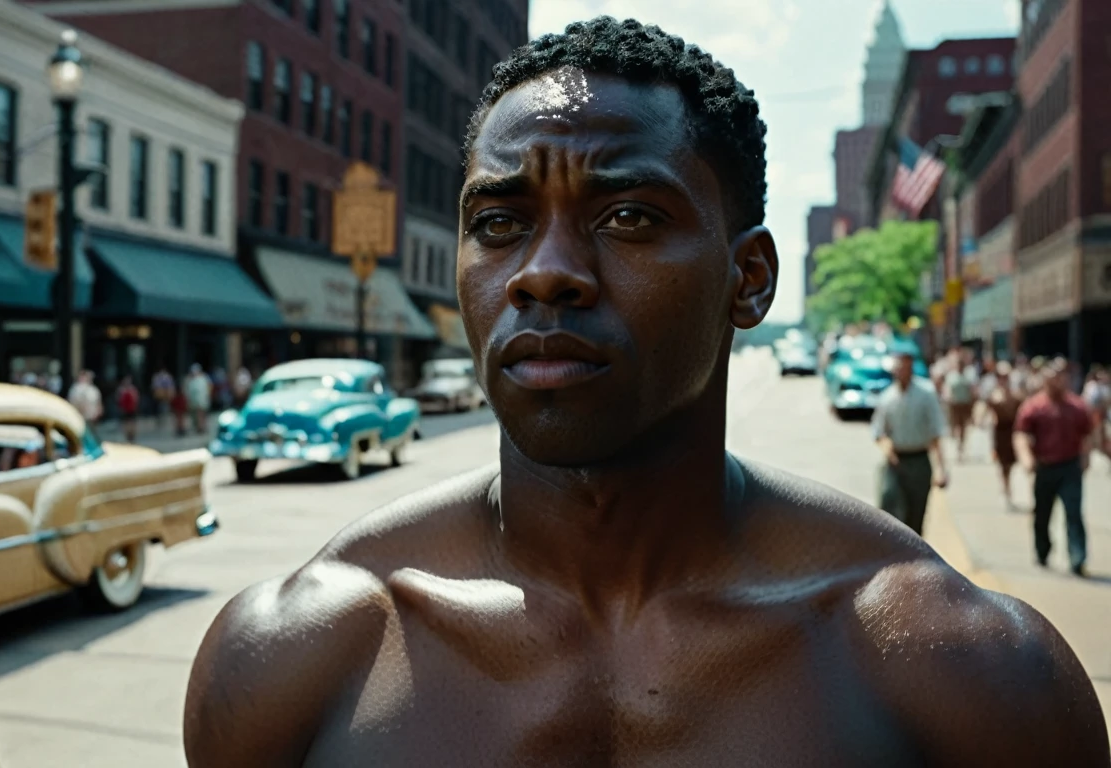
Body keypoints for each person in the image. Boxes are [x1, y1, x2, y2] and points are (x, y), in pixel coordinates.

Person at [183, 17, 1106, 766]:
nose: (544, 275)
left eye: (628, 217)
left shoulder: (964, 671)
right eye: (499, 223)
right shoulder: (298, 652)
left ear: (748, 279)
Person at [1015, 363, 1096, 577]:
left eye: (1061, 377)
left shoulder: (1077, 407)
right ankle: (1042, 551)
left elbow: (1087, 434)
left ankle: (1078, 558)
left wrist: (1086, 458)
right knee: (1042, 513)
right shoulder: (1033, 407)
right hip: (1044, 467)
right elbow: (1021, 434)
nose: (1057, 381)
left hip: (1069, 466)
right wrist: (1026, 458)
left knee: (1073, 513)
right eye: (1052, 377)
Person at [871, 352, 950, 535]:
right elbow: (879, 431)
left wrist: (941, 469)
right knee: (890, 510)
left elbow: (936, 432)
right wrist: (888, 449)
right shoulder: (887, 397)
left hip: (919, 459)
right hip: (897, 460)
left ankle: (913, 558)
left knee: (916, 515)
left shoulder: (926, 394)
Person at [986, 361, 1023, 509]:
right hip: (999, 433)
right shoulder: (994, 395)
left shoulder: (1015, 395)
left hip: (1012, 432)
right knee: (1002, 464)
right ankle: (1006, 491)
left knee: (1011, 463)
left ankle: (1008, 489)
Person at [941, 347, 977, 462]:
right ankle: (958, 445)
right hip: (954, 405)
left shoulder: (968, 376)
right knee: (955, 426)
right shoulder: (951, 376)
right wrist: (948, 398)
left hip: (964, 404)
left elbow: (972, 391)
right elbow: (947, 390)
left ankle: (961, 447)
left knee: (964, 427)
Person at [185, 364, 212, 435]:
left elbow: (209, 388)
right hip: (194, 401)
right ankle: (199, 427)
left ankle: (202, 427)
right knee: (197, 415)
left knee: (202, 414)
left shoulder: (204, 378)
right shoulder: (190, 380)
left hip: (202, 399)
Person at [117, 375, 140, 443]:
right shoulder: (131, 389)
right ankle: (130, 435)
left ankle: (130, 435)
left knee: (128, 422)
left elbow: (118, 399)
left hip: (128, 409)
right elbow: (136, 398)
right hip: (129, 409)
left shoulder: (122, 390)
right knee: (129, 422)